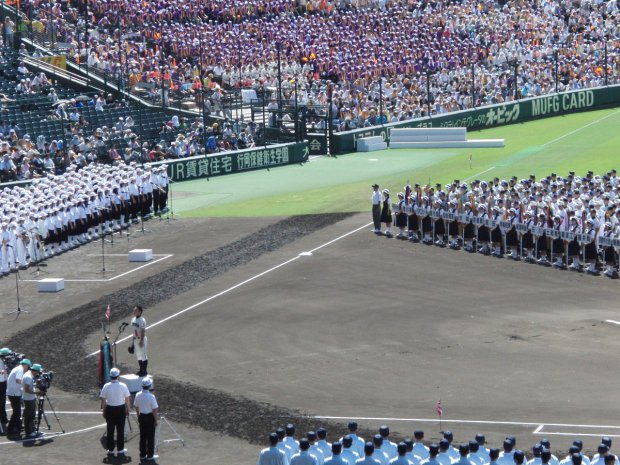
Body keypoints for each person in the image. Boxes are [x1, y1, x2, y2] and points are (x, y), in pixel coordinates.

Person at [100, 367, 131, 458]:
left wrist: (103, 410)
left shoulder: (106, 386)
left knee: (110, 430)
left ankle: (111, 449)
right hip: (120, 409)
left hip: (110, 409)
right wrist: (128, 409)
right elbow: (127, 399)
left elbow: (103, 400)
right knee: (120, 430)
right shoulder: (123, 385)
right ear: (118, 376)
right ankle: (120, 449)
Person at [134, 377, 159, 462]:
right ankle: (150, 455)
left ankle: (142, 454)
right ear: (149, 386)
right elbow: (154, 410)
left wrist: (138, 416)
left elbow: (136, 406)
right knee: (150, 437)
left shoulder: (138, 394)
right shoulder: (151, 396)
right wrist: (156, 420)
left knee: (143, 436)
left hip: (142, 416)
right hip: (149, 417)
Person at [7, 358, 30, 436]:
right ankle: (11, 428)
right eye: (28, 366)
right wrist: (26, 384)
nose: (28, 368)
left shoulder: (17, 368)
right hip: (14, 394)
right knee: (17, 412)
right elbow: (18, 380)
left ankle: (17, 425)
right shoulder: (20, 369)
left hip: (13, 392)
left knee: (17, 411)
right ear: (26, 365)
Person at [22, 362, 42, 438]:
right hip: (28, 399)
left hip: (30, 398)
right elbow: (26, 389)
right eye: (38, 371)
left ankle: (32, 430)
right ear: (35, 371)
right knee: (29, 416)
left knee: (32, 415)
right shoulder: (28, 377)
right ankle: (29, 432)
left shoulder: (29, 374)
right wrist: (36, 392)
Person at [131, 305, 149, 376]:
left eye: (135, 310)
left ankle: (144, 371)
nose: (134, 311)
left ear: (140, 312)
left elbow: (143, 331)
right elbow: (133, 331)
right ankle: (141, 369)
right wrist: (132, 342)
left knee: (143, 355)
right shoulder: (133, 319)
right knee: (138, 355)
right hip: (135, 339)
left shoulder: (142, 320)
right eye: (134, 310)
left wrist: (141, 341)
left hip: (141, 339)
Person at [0, 348, 9, 434]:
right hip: (0, 384)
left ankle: (4, 418)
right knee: (1, 403)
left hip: (3, 383)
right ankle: (2, 421)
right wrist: (4, 372)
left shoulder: (4, 361)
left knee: (2, 403)